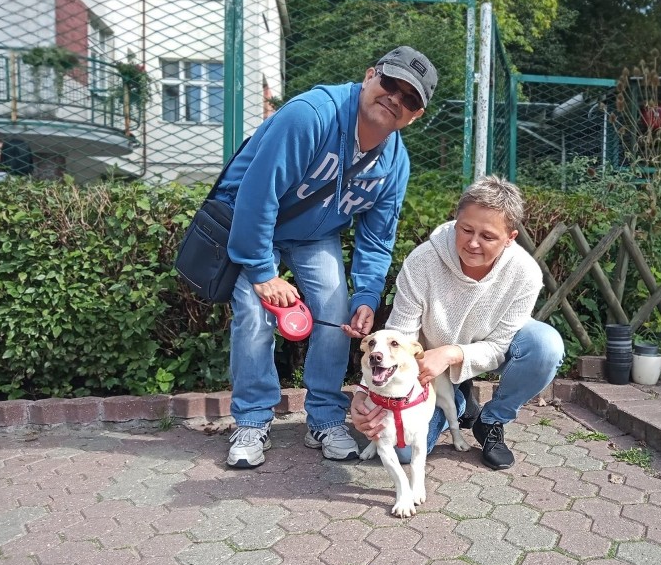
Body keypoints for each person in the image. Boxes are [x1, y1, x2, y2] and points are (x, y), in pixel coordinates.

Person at [216, 46, 438, 468]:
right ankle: (251, 420)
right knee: (252, 313)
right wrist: (263, 273)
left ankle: (323, 418)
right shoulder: (311, 115)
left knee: (340, 317)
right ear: (370, 76)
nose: (395, 98)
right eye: (390, 84)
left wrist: (367, 297)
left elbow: (376, 237)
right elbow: (256, 194)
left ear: (415, 115)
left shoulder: (395, 163)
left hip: (316, 237)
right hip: (262, 228)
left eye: (410, 98)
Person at [350, 175, 565, 470]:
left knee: (545, 345)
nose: (473, 243)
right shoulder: (423, 261)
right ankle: (459, 399)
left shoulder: (525, 274)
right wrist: (365, 392)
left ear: (510, 238)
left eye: (488, 237)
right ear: (455, 221)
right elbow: (397, 339)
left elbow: (499, 347)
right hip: (426, 367)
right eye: (465, 230)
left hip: (481, 353)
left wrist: (452, 354)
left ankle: (491, 421)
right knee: (402, 453)